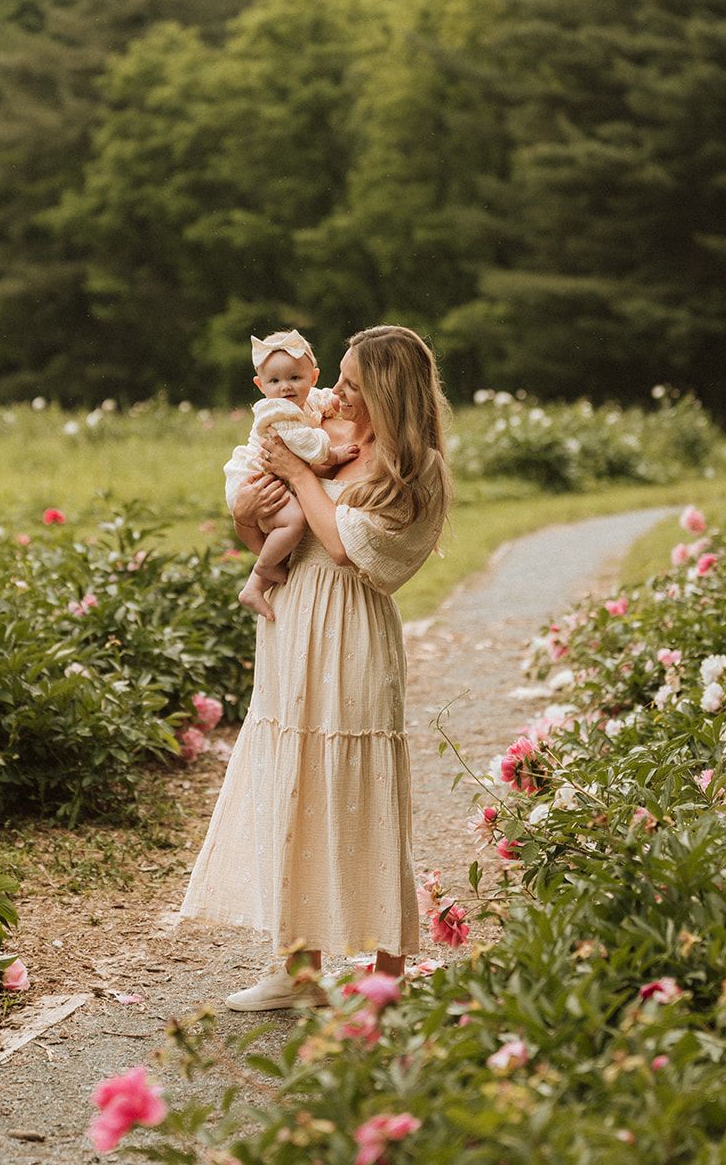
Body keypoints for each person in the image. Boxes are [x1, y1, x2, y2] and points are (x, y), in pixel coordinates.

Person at [179, 324, 453, 1010]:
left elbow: (342, 547)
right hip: (294, 619)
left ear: (387, 391)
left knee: (356, 787)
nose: (337, 390)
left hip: (352, 630)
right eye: (339, 377)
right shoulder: (328, 436)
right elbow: (260, 520)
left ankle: (386, 971)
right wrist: (254, 504)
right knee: (293, 780)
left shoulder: (410, 468)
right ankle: (295, 969)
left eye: (354, 383)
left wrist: (300, 479)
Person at [227, 329, 355, 622]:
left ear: (312, 377)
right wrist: (334, 454)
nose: (285, 387)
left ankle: (261, 576)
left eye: (294, 378)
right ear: (260, 385)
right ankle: (261, 573)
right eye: (274, 381)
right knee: (294, 521)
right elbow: (306, 444)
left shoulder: (304, 402)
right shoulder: (277, 412)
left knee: (290, 523)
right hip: (256, 480)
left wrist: (334, 404)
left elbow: (321, 401)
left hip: (269, 479)